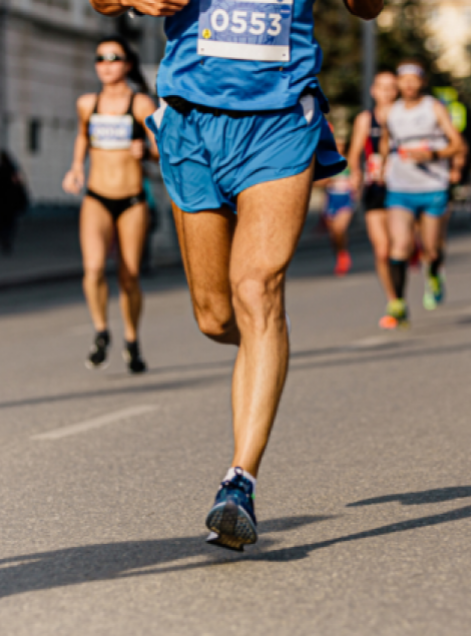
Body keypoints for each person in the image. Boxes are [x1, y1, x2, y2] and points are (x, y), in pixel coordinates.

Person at [91, 0, 381, 551]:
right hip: (191, 123)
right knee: (216, 316)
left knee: (257, 288)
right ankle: (266, 336)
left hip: (278, 124)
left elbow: (369, 10)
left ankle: (239, 484)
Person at [62, 36, 157, 373]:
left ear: (127, 64)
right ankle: (102, 332)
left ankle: (132, 339)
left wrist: (145, 151)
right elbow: (82, 136)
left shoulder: (142, 104)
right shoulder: (87, 103)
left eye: (114, 58)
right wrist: (75, 168)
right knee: (93, 269)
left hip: (132, 199)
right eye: (100, 59)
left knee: (129, 276)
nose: (106, 64)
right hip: (97, 197)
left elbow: (162, 149)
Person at [380, 60, 465, 322]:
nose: (408, 84)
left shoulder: (434, 108)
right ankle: (398, 302)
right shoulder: (390, 111)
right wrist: (381, 167)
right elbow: (386, 143)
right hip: (400, 186)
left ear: (421, 82)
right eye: (403, 79)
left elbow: (457, 144)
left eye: (413, 79)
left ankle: (434, 273)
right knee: (400, 246)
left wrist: (433, 154)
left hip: (432, 186)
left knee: (431, 248)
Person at [347, 71, 401, 328]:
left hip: (404, 187)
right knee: (382, 249)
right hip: (375, 188)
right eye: (382, 87)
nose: (387, 92)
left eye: (392, 87)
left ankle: (417, 273)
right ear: (373, 91)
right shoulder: (365, 119)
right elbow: (354, 153)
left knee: (402, 247)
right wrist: (356, 173)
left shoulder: (405, 115)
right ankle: (394, 300)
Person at [320, 137, 355, 276]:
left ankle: (344, 255)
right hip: (331, 199)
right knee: (333, 234)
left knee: (339, 229)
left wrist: (355, 184)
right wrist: (327, 180)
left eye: (341, 145)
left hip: (345, 199)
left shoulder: (349, 162)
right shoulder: (326, 161)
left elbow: (357, 178)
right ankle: (340, 255)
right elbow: (317, 182)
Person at [0, 150, 27, 255]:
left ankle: (1, 238)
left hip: (0, 201)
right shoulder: (12, 169)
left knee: (0, 221)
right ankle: (7, 240)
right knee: (10, 223)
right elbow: (19, 183)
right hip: (11, 201)